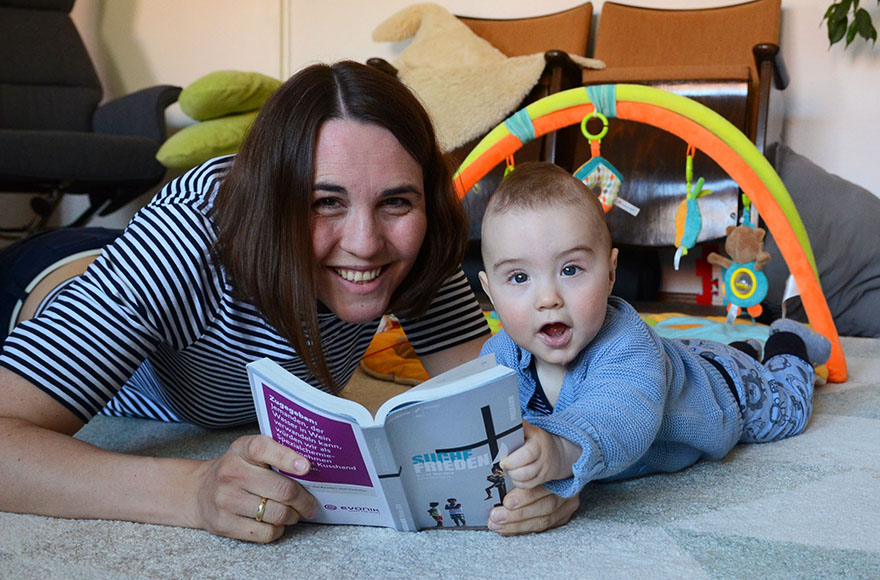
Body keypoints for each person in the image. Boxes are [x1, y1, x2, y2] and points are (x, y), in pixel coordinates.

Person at [0, 60, 506, 544]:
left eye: (395, 201)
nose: (367, 243)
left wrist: (549, 466)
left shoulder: (418, 236)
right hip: (38, 281)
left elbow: (491, 402)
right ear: (274, 198)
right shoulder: (186, 242)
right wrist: (193, 493)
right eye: (325, 202)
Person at [477, 162, 832, 534]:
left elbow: (619, 415)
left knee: (786, 413)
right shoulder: (499, 357)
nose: (547, 298)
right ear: (489, 291)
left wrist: (560, 450)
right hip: (679, 355)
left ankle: (786, 341)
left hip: (726, 390)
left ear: (611, 272)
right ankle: (744, 347)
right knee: (696, 355)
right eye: (519, 277)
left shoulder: (627, 346)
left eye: (570, 270)